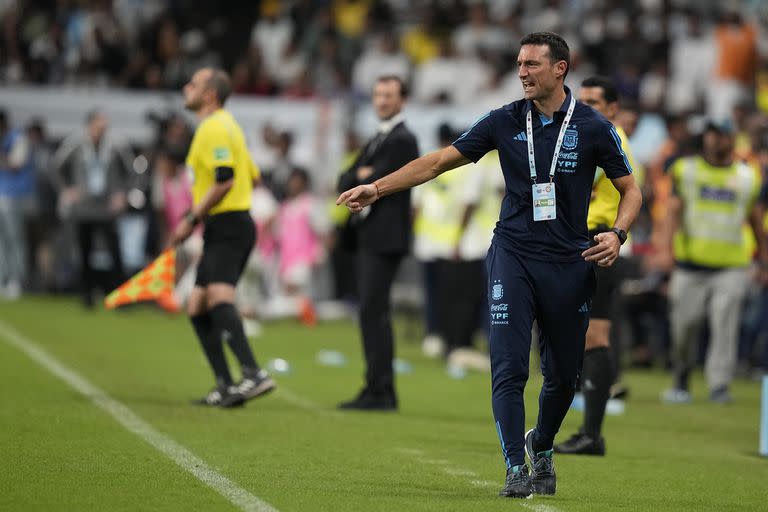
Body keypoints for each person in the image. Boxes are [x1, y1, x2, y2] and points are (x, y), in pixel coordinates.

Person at [337, 32, 642, 497]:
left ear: (560, 68)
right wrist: (376, 189)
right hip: (512, 256)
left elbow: (631, 190)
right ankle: (515, 467)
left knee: (562, 376)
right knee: (509, 368)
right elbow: (439, 161)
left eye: (532, 64)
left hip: (569, 261)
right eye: (519, 64)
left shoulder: (595, 127)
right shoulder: (503, 120)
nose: (522, 72)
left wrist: (617, 234)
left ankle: (540, 443)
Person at [170, 67, 275, 408]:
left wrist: (191, 218)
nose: (186, 87)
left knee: (218, 296)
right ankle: (225, 386)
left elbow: (225, 178)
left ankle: (253, 374)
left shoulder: (213, 126)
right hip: (228, 223)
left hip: (227, 223)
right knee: (196, 304)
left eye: (193, 84)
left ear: (210, 94)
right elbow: (253, 177)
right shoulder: (229, 126)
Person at [554, 76, 641, 456]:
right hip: (584, 242)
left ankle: (591, 433)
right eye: (581, 99)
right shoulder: (593, 133)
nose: (584, 105)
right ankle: (587, 431)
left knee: (594, 338)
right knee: (582, 337)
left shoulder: (607, 137)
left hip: (596, 241)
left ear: (612, 108)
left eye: (594, 101)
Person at [659, 119, 767, 405]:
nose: (715, 140)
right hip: (690, 263)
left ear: (733, 139)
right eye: (711, 134)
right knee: (684, 326)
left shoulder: (748, 176)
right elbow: (672, 213)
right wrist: (665, 251)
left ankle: (719, 384)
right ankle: (682, 374)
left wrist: (764, 257)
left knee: (725, 325)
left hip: (732, 264)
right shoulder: (686, 170)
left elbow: (756, 220)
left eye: (721, 134)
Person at [336, 75, 419, 411]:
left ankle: (380, 389)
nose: (381, 101)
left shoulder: (403, 139)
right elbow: (345, 178)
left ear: (402, 100)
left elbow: (374, 180)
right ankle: (376, 386)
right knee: (372, 310)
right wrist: (361, 173)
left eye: (388, 95)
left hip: (385, 238)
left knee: (374, 310)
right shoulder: (378, 138)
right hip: (371, 236)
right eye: (377, 94)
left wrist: (364, 174)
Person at [52, 109, 132, 308]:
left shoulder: (116, 145)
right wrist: (66, 189)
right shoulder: (76, 144)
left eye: (104, 126)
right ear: (89, 126)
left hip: (107, 208)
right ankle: (87, 296)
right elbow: (55, 167)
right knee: (85, 251)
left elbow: (134, 171)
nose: (101, 130)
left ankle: (120, 297)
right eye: (98, 126)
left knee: (115, 252)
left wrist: (123, 194)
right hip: (84, 207)